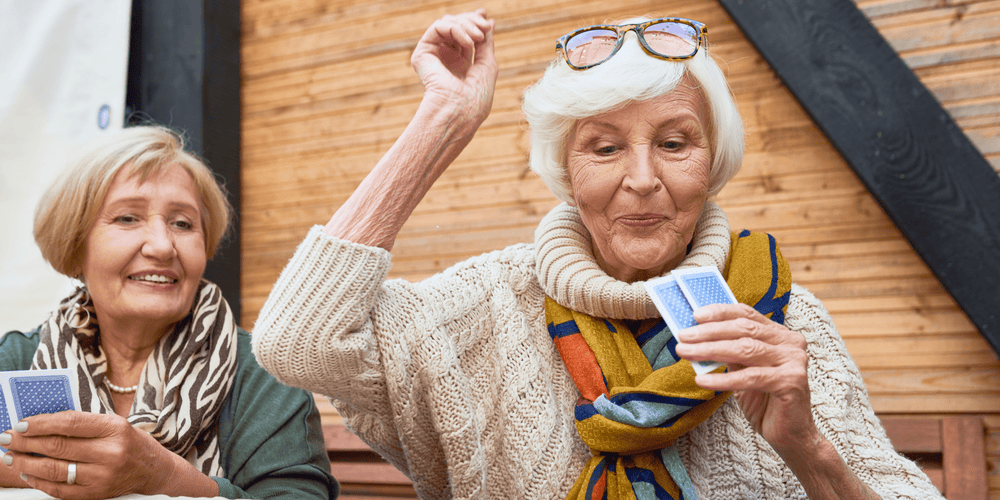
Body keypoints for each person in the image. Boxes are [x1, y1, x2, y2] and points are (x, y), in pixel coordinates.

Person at [251, 10, 943, 500]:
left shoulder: (788, 322)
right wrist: (443, 121)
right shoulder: (486, 303)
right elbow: (298, 342)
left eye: (674, 143)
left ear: (714, 163)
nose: (641, 178)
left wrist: (810, 449)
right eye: (604, 147)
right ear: (566, 171)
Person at [0, 126, 338, 499]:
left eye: (183, 223)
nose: (163, 246)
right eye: (128, 218)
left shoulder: (263, 374)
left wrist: (163, 477)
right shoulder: (17, 360)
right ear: (75, 244)